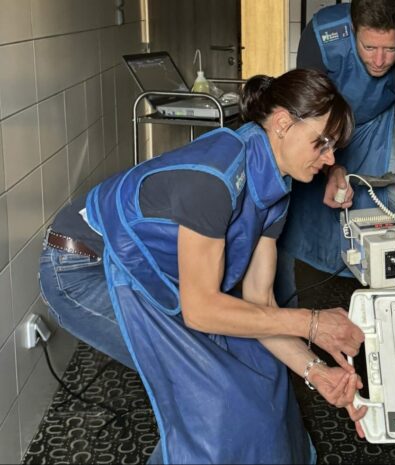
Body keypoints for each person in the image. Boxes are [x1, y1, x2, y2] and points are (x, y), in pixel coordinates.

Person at [38, 68, 367, 464]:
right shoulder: (216, 179)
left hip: (155, 279)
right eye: (322, 144)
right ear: (282, 124)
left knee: (263, 375)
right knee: (212, 400)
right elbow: (203, 311)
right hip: (84, 268)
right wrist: (313, 323)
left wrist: (317, 371)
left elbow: (262, 304)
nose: (330, 159)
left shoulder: (276, 189)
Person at [275, 0, 395, 307]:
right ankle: (285, 301)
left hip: (376, 123)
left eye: (391, 50)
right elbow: (311, 112)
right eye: (369, 48)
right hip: (325, 121)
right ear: (353, 29)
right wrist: (334, 165)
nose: (381, 61)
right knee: (296, 206)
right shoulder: (323, 34)